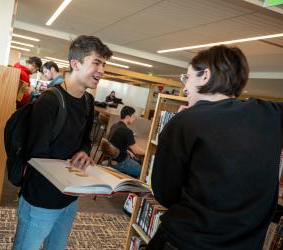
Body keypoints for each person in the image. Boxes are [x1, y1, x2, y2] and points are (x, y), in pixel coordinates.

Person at [147, 45, 283, 250]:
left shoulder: (184, 122)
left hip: (185, 241)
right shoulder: (271, 115)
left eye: (188, 78)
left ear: (205, 76)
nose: (184, 88)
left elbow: (165, 194)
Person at [13, 35, 113, 250]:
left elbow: (85, 140)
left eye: (104, 64)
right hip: (40, 198)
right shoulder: (50, 100)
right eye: (96, 62)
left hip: (69, 197)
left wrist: (84, 152)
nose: (101, 70)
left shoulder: (87, 101)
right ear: (75, 64)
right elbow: (36, 156)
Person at [108, 106, 145, 178]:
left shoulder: (114, 125)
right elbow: (136, 151)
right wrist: (147, 153)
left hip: (112, 159)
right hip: (121, 163)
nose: (134, 119)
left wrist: (127, 150)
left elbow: (115, 143)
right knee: (143, 172)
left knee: (136, 160)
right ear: (128, 117)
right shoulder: (127, 131)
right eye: (133, 117)